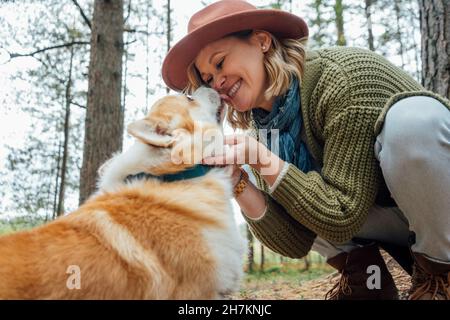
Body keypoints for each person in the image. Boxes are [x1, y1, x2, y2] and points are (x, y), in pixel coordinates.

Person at [162, 0, 450, 300]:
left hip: (439, 211)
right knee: (271, 175)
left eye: (220, 62)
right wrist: (238, 182)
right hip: (394, 221)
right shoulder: (264, 133)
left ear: (262, 41)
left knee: (412, 121)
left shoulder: (341, 79)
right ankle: (369, 283)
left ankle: (442, 276)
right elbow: (295, 241)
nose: (217, 82)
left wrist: (264, 161)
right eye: (207, 78)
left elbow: (341, 214)